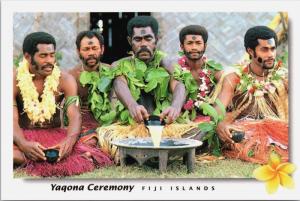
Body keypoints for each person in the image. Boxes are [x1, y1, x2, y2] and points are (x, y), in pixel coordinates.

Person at [13, 32, 112, 177]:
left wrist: (69, 141)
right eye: (43, 56)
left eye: (52, 55)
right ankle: (33, 157)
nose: (50, 60)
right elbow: (11, 118)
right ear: (27, 57)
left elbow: (74, 115)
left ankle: (36, 159)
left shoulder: (65, 79)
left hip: (54, 136)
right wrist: (23, 143)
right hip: (23, 134)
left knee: (89, 147)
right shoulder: (13, 79)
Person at [97, 16, 189, 162]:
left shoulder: (167, 64)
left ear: (156, 40)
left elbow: (178, 84)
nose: (143, 44)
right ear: (130, 41)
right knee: (106, 136)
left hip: (164, 127)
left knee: (199, 131)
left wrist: (175, 107)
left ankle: (147, 152)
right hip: (131, 127)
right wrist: (132, 105)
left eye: (148, 38)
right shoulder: (119, 65)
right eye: (138, 40)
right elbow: (119, 83)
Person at [215, 26, 288, 164]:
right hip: (245, 131)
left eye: (272, 49)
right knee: (238, 139)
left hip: (276, 130)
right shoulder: (234, 78)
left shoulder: (282, 78)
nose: (271, 54)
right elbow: (218, 110)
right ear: (250, 51)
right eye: (264, 49)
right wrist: (221, 124)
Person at [68, 30, 111, 140]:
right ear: (78, 52)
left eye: (94, 48)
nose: (91, 53)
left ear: (102, 49)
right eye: (86, 49)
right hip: (83, 128)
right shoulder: (71, 76)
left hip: (109, 126)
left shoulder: (112, 72)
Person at [177, 25, 224, 122]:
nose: (194, 47)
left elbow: (228, 84)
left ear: (205, 46)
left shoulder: (214, 70)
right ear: (182, 46)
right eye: (190, 43)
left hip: (209, 121)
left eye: (198, 43)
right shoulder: (176, 70)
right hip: (180, 119)